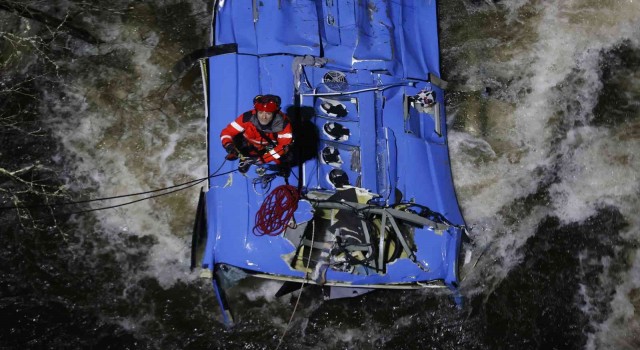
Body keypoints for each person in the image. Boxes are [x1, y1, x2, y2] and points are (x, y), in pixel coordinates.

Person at [220, 94, 293, 173]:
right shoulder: (246, 118)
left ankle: (281, 166)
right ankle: (242, 157)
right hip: (248, 143)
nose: (263, 117)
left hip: (268, 146)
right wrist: (228, 144)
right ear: (256, 111)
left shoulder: (284, 124)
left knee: (285, 155)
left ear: (275, 113)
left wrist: (261, 160)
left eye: (268, 113)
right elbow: (227, 132)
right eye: (261, 112)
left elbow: (282, 147)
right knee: (238, 143)